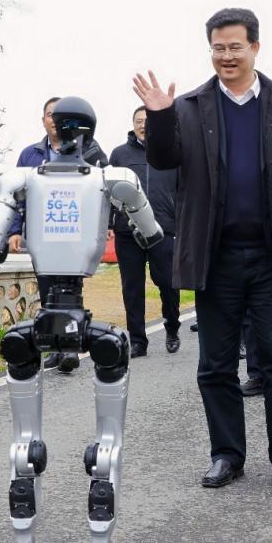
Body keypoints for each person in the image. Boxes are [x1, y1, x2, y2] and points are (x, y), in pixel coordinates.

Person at [135, 7, 272, 492]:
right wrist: (160, 116)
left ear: (255, 47)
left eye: (236, 46)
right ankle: (227, 454)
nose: (227, 56)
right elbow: (163, 159)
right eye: (218, 48)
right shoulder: (189, 106)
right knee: (216, 365)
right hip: (214, 258)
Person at [8, 96, 108, 373]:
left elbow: (105, 193)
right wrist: (14, 230)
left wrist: (106, 225)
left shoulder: (91, 151)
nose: (55, 120)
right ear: (44, 120)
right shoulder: (30, 155)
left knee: (70, 288)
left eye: (60, 115)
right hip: (43, 232)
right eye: (50, 114)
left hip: (76, 231)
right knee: (47, 291)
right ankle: (54, 346)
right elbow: (17, 196)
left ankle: (69, 346)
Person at [109, 106, 182, 357]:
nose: (143, 125)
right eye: (139, 121)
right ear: (133, 125)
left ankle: (172, 327)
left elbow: (183, 191)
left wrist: (180, 222)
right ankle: (138, 340)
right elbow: (108, 192)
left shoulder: (172, 153)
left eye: (148, 121)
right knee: (132, 287)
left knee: (168, 283)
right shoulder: (119, 154)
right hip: (127, 230)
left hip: (163, 227)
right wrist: (109, 224)